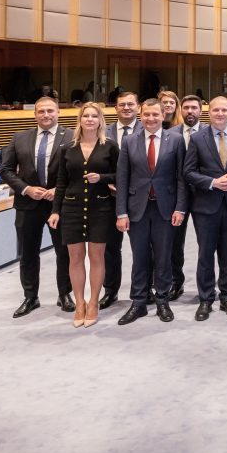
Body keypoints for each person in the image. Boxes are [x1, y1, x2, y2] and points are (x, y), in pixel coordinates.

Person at [0, 97, 75, 318]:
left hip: (59, 205)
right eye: (41, 111)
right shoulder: (20, 138)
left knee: (64, 252)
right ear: (35, 114)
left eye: (50, 110)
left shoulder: (72, 137)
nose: (46, 115)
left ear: (58, 112)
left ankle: (65, 294)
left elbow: (78, 170)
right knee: (28, 253)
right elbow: (5, 170)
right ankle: (30, 297)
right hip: (27, 205)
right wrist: (26, 189)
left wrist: (59, 190)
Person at [115, 98, 188, 325]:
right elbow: (122, 178)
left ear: (163, 115)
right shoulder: (129, 141)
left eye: (155, 114)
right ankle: (138, 302)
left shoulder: (175, 140)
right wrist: (121, 213)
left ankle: (162, 300)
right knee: (140, 257)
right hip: (137, 209)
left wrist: (180, 208)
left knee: (164, 256)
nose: (151, 118)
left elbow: (181, 178)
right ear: (141, 115)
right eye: (146, 114)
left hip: (165, 208)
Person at [48, 102, 117, 327]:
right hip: (71, 209)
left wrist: (102, 178)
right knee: (75, 257)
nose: (89, 119)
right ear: (79, 120)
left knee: (97, 257)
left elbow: (120, 175)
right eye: (86, 116)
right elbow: (61, 182)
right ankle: (80, 303)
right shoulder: (67, 149)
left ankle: (94, 302)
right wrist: (55, 211)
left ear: (100, 120)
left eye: (94, 116)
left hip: (101, 208)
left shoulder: (110, 146)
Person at [183, 96, 227, 321]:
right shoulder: (197, 138)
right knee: (205, 254)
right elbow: (188, 172)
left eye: (224, 110)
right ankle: (206, 299)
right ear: (208, 112)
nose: (220, 114)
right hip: (206, 206)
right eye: (216, 110)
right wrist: (212, 183)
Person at [101, 91, 141, 308]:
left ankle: (144, 289)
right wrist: (107, 182)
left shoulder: (148, 129)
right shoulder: (103, 132)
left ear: (138, 107)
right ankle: (110, 290)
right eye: (122, 104)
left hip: (139, 198)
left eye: (130, 104)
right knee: (110, 248)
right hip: (109, 198)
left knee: (143, 248)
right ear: (115, 108)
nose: (126, 108)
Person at [163, 93, 200, 301]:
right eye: (186, 108)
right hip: (176, 196)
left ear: (200, 111)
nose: (190, 111)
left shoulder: (208, 132)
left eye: (194, 108)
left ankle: (207, 284)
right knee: (175, 243)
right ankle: (176, 282)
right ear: (181, 110)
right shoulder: (170, 134)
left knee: (207, 243)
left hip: (204, 196)